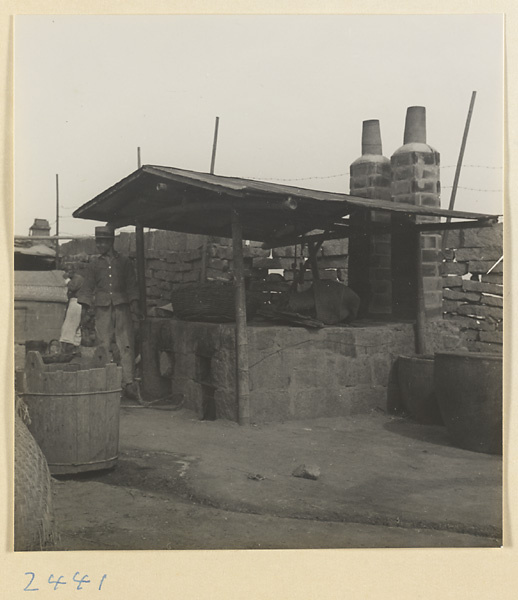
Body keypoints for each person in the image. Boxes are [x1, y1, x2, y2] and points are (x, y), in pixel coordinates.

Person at [77, 226, 141, 398]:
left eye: (103, 241)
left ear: (111, 242)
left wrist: (134, 305)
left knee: (125, 343)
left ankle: (128, 383)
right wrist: (84, 310)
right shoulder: (94, 264)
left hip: (122, 307)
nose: (99, 245)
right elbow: (87, 288)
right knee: (103, 344)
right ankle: (104, 382)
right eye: (98, 241)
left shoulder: (124, 262)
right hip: (102, 308)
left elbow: (131, 285)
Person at [59, 268, 84, 353]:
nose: (67, 273)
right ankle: (75, 348)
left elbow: (73, 287)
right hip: (77, 302)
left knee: (69, 325)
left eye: (68, 271)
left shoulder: (77, 278)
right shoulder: (77, 278)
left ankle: (67, 349)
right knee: (76, 326)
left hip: (76, 302)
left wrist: (67, 279)